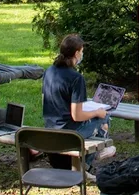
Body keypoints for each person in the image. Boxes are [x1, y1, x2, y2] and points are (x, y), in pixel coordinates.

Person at [42, 34, 116, 179]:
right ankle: (88, 163)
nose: (82, 54)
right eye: (82, 51)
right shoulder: (76, 78)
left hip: (50, 127)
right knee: (104, 116)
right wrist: (97, 112)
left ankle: (95, 154)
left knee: (96, 117)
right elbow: (77, 115)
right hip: (69, 133)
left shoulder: (49, 71)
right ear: (76, 53)